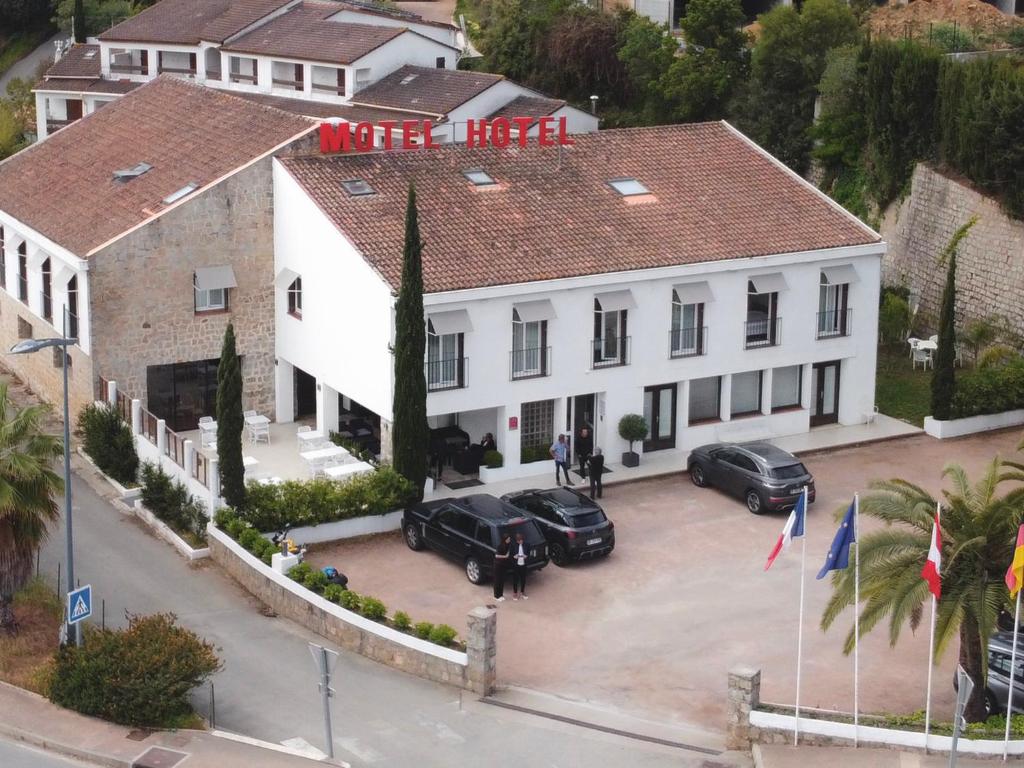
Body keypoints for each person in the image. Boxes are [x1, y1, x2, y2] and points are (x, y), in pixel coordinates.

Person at [511, 531, 529, 600]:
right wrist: (514, 556)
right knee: (515, 579)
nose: (521, 542)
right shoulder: (513, 545)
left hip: (523, 564)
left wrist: (526, 556)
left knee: (523, 579)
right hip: (516, 565)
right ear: (517, 541)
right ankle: (515, 593)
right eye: (519, 541)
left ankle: (522, 591)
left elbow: (528, 553)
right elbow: (510, 555)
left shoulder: (527, 545)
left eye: (521, 540)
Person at [493, 533, 511, 602]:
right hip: (498, 565)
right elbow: (497, 556)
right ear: (505, 540)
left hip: (503, 565)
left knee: (502, 580)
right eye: (508, 539)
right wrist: (505, 556)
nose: (509, 540)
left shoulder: (508, 545)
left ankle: (501, 594)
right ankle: (496, 596)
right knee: (497, 580)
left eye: (509, 539)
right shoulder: (500, 546)